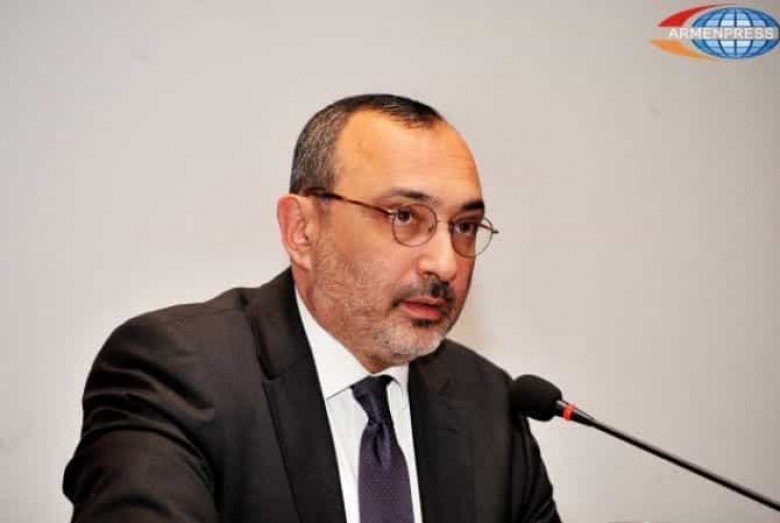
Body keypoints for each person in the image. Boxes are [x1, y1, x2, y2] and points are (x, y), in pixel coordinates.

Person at [63, 94, 561, 523]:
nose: (446, 263)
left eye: (465, 227)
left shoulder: (490, 406)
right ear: (302, 231)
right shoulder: (177, 374)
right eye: (405, 216)